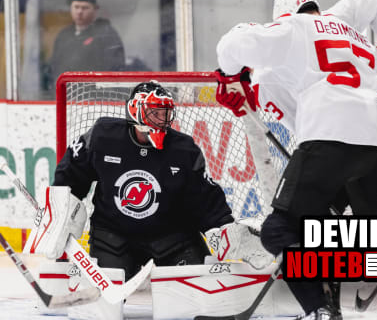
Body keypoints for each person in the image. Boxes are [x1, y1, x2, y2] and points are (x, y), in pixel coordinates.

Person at [215, 0, 377, 320]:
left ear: (283, 15)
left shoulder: (291, 29)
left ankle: (320, 308)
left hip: (328, 138)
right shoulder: (345, 26)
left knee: (282, 230)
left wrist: (230, 76)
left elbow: (231, 43)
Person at [51, 81, 259, 280]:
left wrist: (221, 228)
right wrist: (59, 211)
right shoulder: (103, 137)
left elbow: (205, 199)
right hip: (113, 237)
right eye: (155, 113)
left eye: (165, 113)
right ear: (136, 111)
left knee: (197, 291)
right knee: (105, 305)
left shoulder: (183, 149)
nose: (162, 119)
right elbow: (71, 175)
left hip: (173, 237)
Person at [47, 0, 125, 88]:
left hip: (94, 96)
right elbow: (54, 68)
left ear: (95, 9)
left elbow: (114, 68)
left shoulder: (106, 34)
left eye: (85, 8)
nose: (79, 12)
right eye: (76, 7)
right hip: (65, 95)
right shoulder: (63, 35)